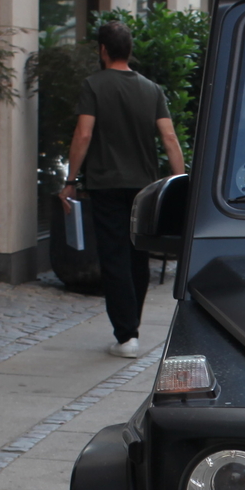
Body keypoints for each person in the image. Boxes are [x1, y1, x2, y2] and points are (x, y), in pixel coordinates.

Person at [61, 20, 187, 357]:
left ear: (102, 50)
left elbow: (83, 134)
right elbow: (170, 138)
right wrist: (181, 184)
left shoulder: (94, 85)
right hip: (143, 187)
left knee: (113, 258)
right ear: (129, 50)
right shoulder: (151, 89)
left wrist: (70, 180)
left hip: (105, 183)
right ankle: (132, 326)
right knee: (137, 256)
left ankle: (126, 333)